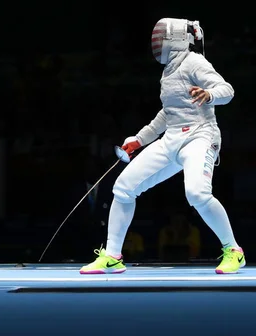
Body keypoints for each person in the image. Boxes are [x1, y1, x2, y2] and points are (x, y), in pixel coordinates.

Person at [80, 18, 244, 275]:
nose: (157, 44)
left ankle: (233, 250)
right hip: (172, 139)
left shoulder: (194, 61)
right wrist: (139, 139)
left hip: (200, 136)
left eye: (160, 38)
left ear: (176, 39)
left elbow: (228, 89)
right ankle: (112, 255)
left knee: (197, 194)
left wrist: (209, 94)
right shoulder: (168, 72)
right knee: (123, 188)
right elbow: (168, 115)